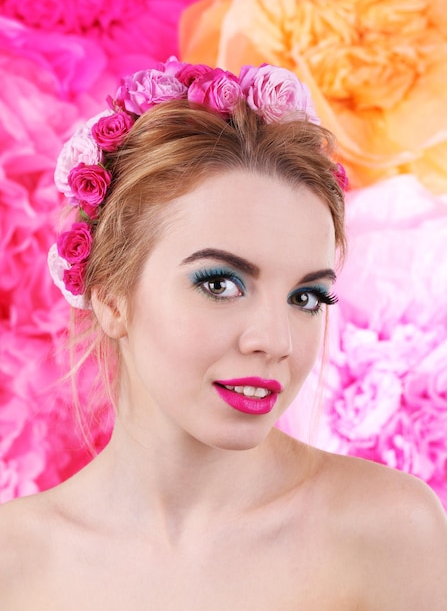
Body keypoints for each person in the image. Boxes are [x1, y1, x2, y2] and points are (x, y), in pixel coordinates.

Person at [0, 58, 446, 610]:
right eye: (220, 284)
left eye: (306, 297)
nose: (277, 340)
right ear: (111, 295)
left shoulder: (386, 531)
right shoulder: (13, 561)